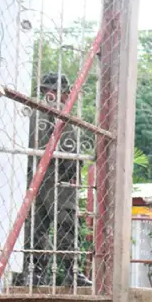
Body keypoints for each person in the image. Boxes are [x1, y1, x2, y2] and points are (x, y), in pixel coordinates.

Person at [14, 72, 92, 287]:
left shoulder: (31, 111)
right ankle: (71, 272)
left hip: (35, 177)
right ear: (56, 92)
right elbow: (68, 144)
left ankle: (33, 272)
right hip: (58, 177)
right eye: (65, 92)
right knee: (66, 223)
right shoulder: (57, 111)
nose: (68, 96)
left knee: (36, 226)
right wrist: (72, 170)